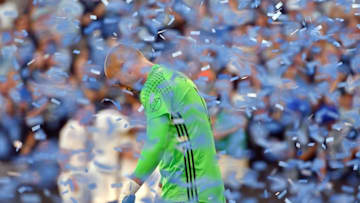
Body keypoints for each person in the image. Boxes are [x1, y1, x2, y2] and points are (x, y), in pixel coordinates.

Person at [104, 44, 226, 203]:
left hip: (188, 190)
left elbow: (156, 143)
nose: (123, 88)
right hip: (207, 186)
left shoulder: (153, 87)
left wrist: (132, 185)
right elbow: (188, 131)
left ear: (127, 68)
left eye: (118, 82)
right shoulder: (176, 77)